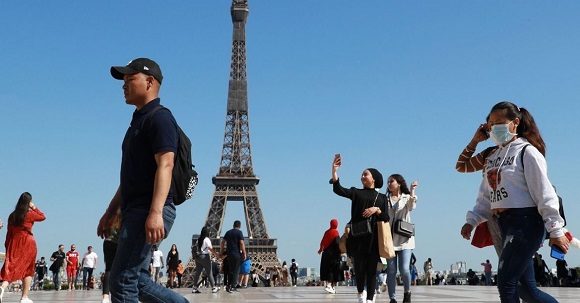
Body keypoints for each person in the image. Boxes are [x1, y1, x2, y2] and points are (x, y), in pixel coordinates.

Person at [96, 57, 189, 303]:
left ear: (149, 82)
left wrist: (156, 212)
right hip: (137, 209)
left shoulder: (159, 118)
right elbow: (129, 176)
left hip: (149, 208)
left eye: (130, 79)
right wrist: (111, 211)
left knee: (122, 280)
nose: (124, 85)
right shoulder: (137, 122)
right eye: (123, 80)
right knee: (137, 280)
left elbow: (165, 164)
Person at [460, 101, 569, 303]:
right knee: (526, 290)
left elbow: (544, 194)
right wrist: (472, 220)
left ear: (515, 122)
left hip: (526, 223)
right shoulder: (492, 156)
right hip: (504, 223)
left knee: (506, 281)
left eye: (500, 122)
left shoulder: (527, 152)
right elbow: (486, 196)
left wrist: (556, 230)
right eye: (491, 123)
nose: (494, 127)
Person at [331, 154, 389, 303]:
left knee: (372, 270)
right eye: (362, 174)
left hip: (373, 239)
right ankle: (360, 294)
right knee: (359, 270)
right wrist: (334, 171)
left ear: (374, 178)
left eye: (366, 174)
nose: (362, 176)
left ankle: (370, 299)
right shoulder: (356, 192)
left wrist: (377, 210)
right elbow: (339, 190)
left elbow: (386, 218)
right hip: (357, 237)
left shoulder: (382, 198)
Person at [0, 192, 46, 303]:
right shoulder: (29, 214)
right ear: (29, 202)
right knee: (28, 270)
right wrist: (34, 207)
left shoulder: (12, 215)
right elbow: (43, 217)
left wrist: (7, 245)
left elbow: (9, 233)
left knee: (11, 267)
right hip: (28, 243)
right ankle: (24, 297)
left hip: (14, 243)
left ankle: (2, 287)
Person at [385, 174, 418, 303]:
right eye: (388, 182)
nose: (389, 184)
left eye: (391, 181)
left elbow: (412, 206)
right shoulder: (385, 199)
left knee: (404, 269)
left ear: (398, 183)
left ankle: (407, 292)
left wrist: (412, 190)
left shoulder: (406, 198)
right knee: (391, 270)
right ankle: (392, 298)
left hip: (404, 239)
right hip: (389, 240)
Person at [221, 220, 246, 293]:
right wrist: (244, 253)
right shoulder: (239, 232)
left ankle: (229, 285)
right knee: (236, 270)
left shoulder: (228, 232)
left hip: (229, 254)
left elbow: (222, 242)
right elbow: (241, 243)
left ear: (233, 225)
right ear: (239, 226)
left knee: (231, 270)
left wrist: (222, 252)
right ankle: (233, 286)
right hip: (236, 254)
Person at [191, 227, 219, 293]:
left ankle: (194, 288)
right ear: (207, 232)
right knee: (209, 272)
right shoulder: (206, 239)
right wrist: (216, 255)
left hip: (198, 257)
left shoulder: (199, 239)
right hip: (204, 257)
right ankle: (213, 287)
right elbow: (210, 248)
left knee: (198, 273)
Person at [318, 218, 342, 294]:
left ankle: (332, 287)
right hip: (334, 255)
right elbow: (338, 243)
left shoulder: (327, 232)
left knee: (327, 269)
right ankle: (329, 286)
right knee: (333, 270)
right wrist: (341, 251)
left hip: (326, 254)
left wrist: (320, 249)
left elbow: (322, 241)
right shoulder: (336, 232)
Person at [101, 208, 120, 303]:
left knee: (108, 269)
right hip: (119, 243)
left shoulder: (110, 214)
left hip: (107, 242)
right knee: (121, 270)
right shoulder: (125, 211)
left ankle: (105, 296)